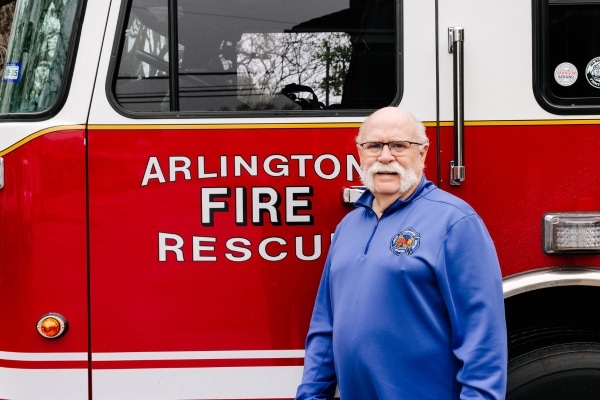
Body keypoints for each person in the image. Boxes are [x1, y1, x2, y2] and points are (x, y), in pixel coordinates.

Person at [295, 107, 507, 399]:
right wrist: (310, 395)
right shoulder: (348, 226)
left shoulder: (456, 222)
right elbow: (325, 327)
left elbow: (482, 338)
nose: (384, 157)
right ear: (359, 153)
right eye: (374, 146)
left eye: (398, 145)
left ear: (422, 153)